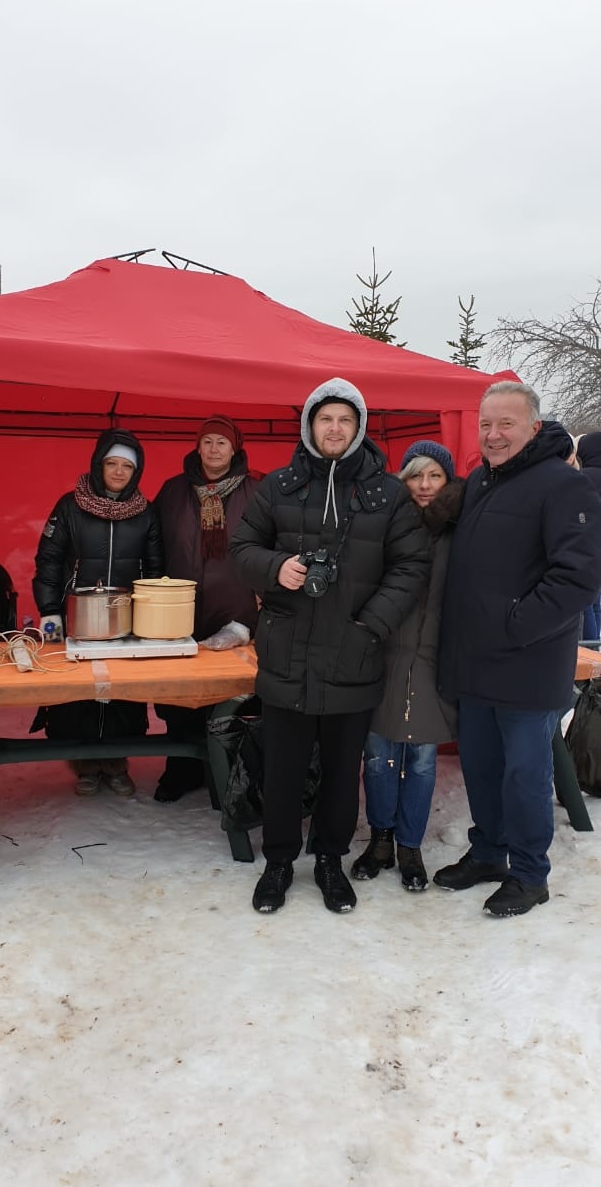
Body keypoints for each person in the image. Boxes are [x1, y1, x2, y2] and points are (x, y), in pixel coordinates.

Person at [230, 377, 431, 914]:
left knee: (344, 773)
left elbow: (412, 566)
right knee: (283, 767)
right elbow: (241, 546)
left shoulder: (387, 494)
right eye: (325, 419)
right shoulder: (279, 486)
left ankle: (329, 861)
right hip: (286, 652)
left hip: (355, 653)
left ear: (359, 426)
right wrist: (277, 568)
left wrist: (370, 625)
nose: (335, 428)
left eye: (345, 419)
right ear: (310, 426)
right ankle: (278, 862)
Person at [434, 382, 601, 916]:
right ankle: (489, 853)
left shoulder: (562, 484)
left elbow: (578, 578)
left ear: (533, 426)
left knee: (525, 774)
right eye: (485, 425)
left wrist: (513, 624)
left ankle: (530, 874)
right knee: (481, 767)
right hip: (477, 661)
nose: (493, 434)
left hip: (527, 663)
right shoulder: (481, 480)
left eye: (505, 424)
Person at [351, 440, 464, 891]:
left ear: (447, 481)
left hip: (436, 659)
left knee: (419, 760)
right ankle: (380, 839)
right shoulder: (384, 525)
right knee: (378, 756)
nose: (423, 484)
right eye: (415, 474)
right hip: (383, 655)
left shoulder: (462, 530)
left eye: (434, 475)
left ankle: (410, 846)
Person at [33, 429, 163, 796]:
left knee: (121, 692)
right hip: (75, 619)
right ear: (98, 464)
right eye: (112, 463)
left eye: (127, 466)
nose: (119, 472)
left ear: (136, 472)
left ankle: (118, 762)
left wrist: (150, 616)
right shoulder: (69, 506)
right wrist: (49, 611)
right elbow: (48, 561)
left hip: (127, 620)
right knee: (79, 692)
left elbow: (155, 569)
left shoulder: (145, 512)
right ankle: (84, 765)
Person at [153, 416, 260, 802]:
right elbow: (155, 547)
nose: (214, 449)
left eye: (221, 443)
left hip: (234, 611)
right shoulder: (173, 491)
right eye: (207, 442)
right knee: (178, 696)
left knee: (226, 698)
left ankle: (224, 775)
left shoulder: (257, 490)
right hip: (177, 611)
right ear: (197, 447)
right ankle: (180, 771)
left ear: (235, 448)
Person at [576, 433, 601, 640]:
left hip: (590, 544)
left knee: (587, 603)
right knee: (597, 601)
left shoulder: (583, 478)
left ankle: (587, 645)